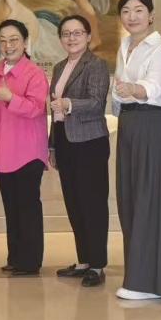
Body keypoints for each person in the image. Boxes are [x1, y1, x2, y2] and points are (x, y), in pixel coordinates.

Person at [111, 0, 161, 302]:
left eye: (139, 10)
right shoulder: (125, 45)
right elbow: (118, 92)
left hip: (151, 124)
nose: (132, 16)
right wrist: (125, 91)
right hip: (129, 123)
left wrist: (131, 89)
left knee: (149, 199)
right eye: (126, 11)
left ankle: (145, 283)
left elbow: (153, 87)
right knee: (131, 198)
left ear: (151, 15)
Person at [0, 19, 50, 275]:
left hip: (27, 152)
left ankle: (30, 262)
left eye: (14, 40)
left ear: (25, 42)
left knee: (27, 207)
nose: (8, 45)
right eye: (3, 41)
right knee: (11, 207)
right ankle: (16, 257)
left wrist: (11, 99)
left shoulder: (34, 73)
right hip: (2, 153)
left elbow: (37, 108)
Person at [47, 15, 112, 287]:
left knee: (92, 203)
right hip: (65, 139)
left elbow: (97, 102)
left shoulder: (96, 65)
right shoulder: (60, 66)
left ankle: (97, 264)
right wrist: (52, 145)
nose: (71, 38)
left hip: (90, 142)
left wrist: (69, 104)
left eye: (77, 33)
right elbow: (54, 109)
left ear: (87, 36)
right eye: (66, 34)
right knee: (74, 203)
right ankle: (84, 260)